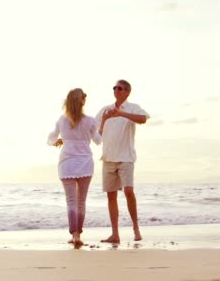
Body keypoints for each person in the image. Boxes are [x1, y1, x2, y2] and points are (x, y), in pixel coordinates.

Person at [95, 79, 149, 243]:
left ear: (127, 91)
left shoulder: (133, 107)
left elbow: (143, 119)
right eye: (115, 88)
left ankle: (136, 228)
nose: (116, 90)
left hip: (126, 157)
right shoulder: (105, 109)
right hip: (108, 158)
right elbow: (97, 136)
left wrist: (122, 114)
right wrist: (105, 120)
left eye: (119, 88)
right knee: (111, 196)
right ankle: (115, 234)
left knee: (128, 191)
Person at [48, 88, 101, 247]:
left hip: (67, 163)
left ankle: (74, 235)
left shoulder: (62, 120)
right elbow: (98, 140)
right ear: (82, 100)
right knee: (81, 201)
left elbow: (52, 138)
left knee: (71, 200)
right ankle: (78, 234)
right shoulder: (91, 121)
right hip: (85, 163)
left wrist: (57, 141)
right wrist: (102, 126)